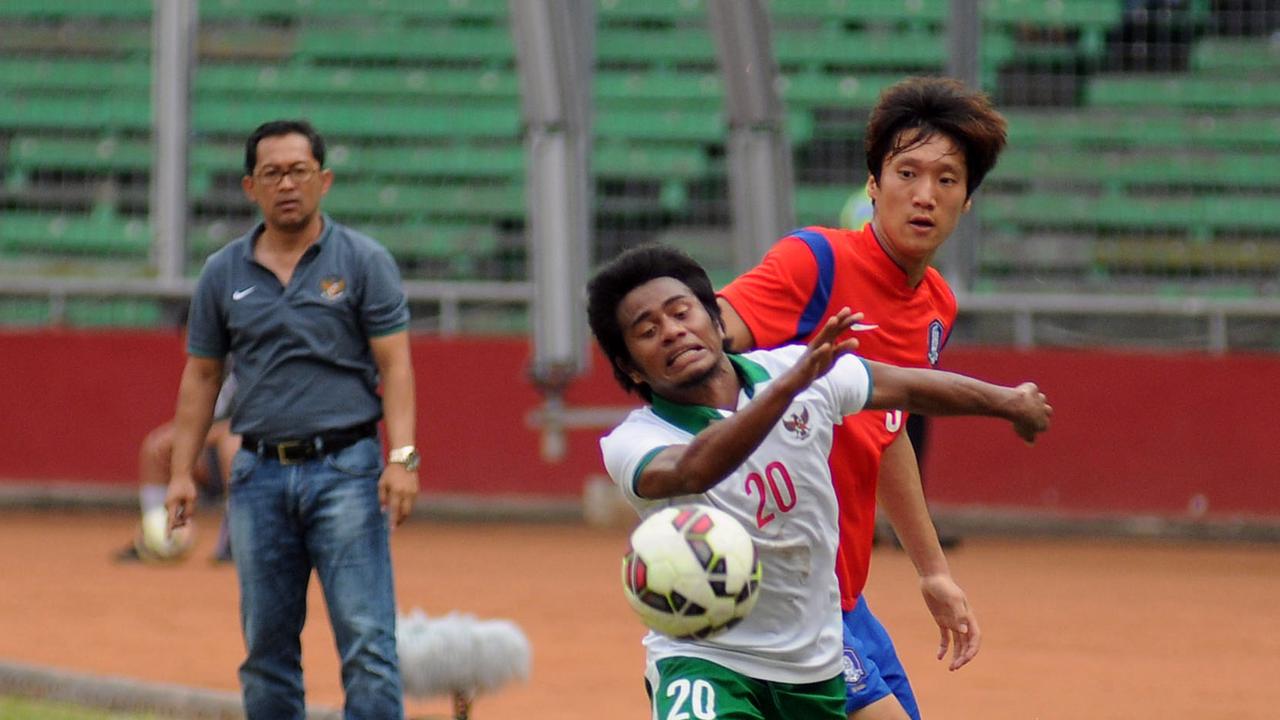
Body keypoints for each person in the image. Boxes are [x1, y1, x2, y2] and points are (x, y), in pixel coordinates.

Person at [588, 244, 1051, 719]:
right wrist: (791, 386)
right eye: (648, 331)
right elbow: (694, 468)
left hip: (812, 657)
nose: (672, 332)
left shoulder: (798, 369)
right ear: (630, 367)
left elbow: (907, 387)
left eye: (682, 313)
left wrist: (1009, 402)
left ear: (716, 319)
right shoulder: (633, 441)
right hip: (706, 662)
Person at [716, 76, 1009, 719]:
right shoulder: (812, 263)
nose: (924, 195)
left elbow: (887, 431)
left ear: (968, 202)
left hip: (843, 592)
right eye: (906, 172)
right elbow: (704, 343)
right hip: (779, 594)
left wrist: (931, 570)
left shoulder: (937, 306)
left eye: (947, 180)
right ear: (873, 184)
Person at [165, 119, 420, 719]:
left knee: (367, 642)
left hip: (348, 471)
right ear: (250, 186)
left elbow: (397, 367)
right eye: (272, 173)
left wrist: (402, 459)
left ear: (324, 180)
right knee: (267, 648)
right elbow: (201, 376)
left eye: (299, 171)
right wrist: (181, 472)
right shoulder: (222, 273)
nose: (287, 184)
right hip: (256, 476)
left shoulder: (363, 261)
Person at [115, 374, 239, 563]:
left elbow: (255, 423)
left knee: (232, 445)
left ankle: (234, 544)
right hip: (210, 453)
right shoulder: (213, 367)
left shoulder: (258, 363)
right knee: (156, 447)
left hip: (251, 454)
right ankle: (159, 538)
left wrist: (204, 437)